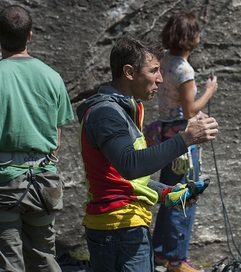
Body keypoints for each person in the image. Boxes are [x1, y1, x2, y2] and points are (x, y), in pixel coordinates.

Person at [75, 33, 218, 272]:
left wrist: (169, 193)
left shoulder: (126, 109)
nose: (161, 79)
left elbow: (125, 179)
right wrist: (186, 138)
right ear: (129, 72)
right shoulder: (107, 113)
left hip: (123, 227)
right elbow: (131, 166)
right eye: (154, 71)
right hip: (118, 229)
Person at [0, 5, 74, 272]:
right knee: (43, 257)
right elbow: (57, 133)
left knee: (8, 262)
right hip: (44, 181)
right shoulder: (52, 77)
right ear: (30, 36)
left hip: (5, 182)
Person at [152, 11, 218, 272]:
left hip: (166, 138)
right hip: (184, 143)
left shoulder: (165, 63)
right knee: (185, 196)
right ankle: (177, 259)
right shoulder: (184, 69)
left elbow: (177, 107)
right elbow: (190, 110)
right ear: (192, 38)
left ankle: (160, 253)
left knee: (168, 194)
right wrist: (209, 91)